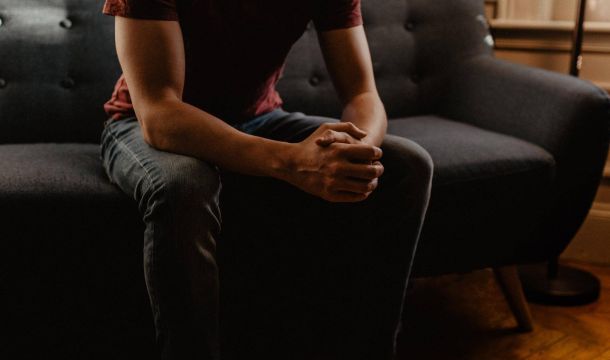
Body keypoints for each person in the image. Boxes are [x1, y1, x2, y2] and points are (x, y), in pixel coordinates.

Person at [100, 1, 433, 359]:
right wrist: (291, 162)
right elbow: (159, 113)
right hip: (142, 123)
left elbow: (363, 95)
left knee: (407, 165)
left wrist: (353, 154)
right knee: (184, 184)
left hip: (257, 119)